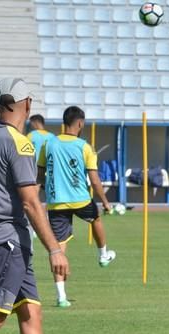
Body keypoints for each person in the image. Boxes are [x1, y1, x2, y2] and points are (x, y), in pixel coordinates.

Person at [0, 77, 95, 334]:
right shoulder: (19, 143)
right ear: (27, 104)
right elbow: (29, 201)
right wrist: (55, 248)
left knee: (31, 314)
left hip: (13, 243)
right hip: (7, 242)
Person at [36, 106, 116, 308]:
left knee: (58, 249)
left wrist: (40, 193)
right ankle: (103, 254)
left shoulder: (49, 143)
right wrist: (106, 203)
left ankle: (61, 296)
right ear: (80, 123)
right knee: (96, 218)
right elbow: (95, 180)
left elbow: (40, 173)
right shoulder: (84, 146)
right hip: (80, 199)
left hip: (56, 203)